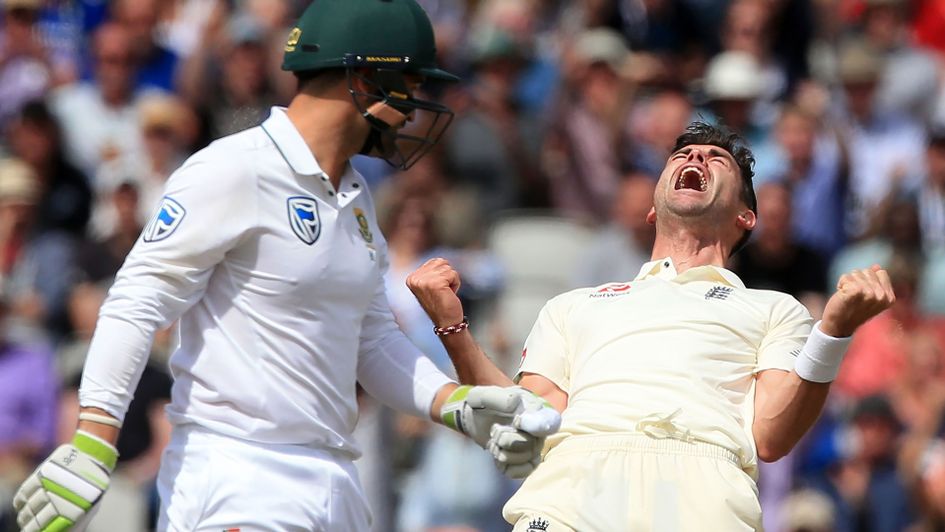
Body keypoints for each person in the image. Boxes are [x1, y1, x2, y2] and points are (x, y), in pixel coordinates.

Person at [12, 2, 560, 531]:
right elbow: (135, 301)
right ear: (365, 78)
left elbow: (371, 340)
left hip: (335, 481)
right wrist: (93, 442)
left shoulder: (358, 195)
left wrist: (455, 405)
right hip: (239, 477)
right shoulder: (234, 168)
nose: (417, 107)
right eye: (411, 85)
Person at [407, 121, 896, 531]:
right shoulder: (574, 305)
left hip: (700, 496)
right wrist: (453, 329)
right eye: (683, 154)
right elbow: (527, 419)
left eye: (715, 159)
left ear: (747, 216)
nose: (696, 160)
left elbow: (771, 435)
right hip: (570, 496)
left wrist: (832, 333)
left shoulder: (774, 309)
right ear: (651, 207)